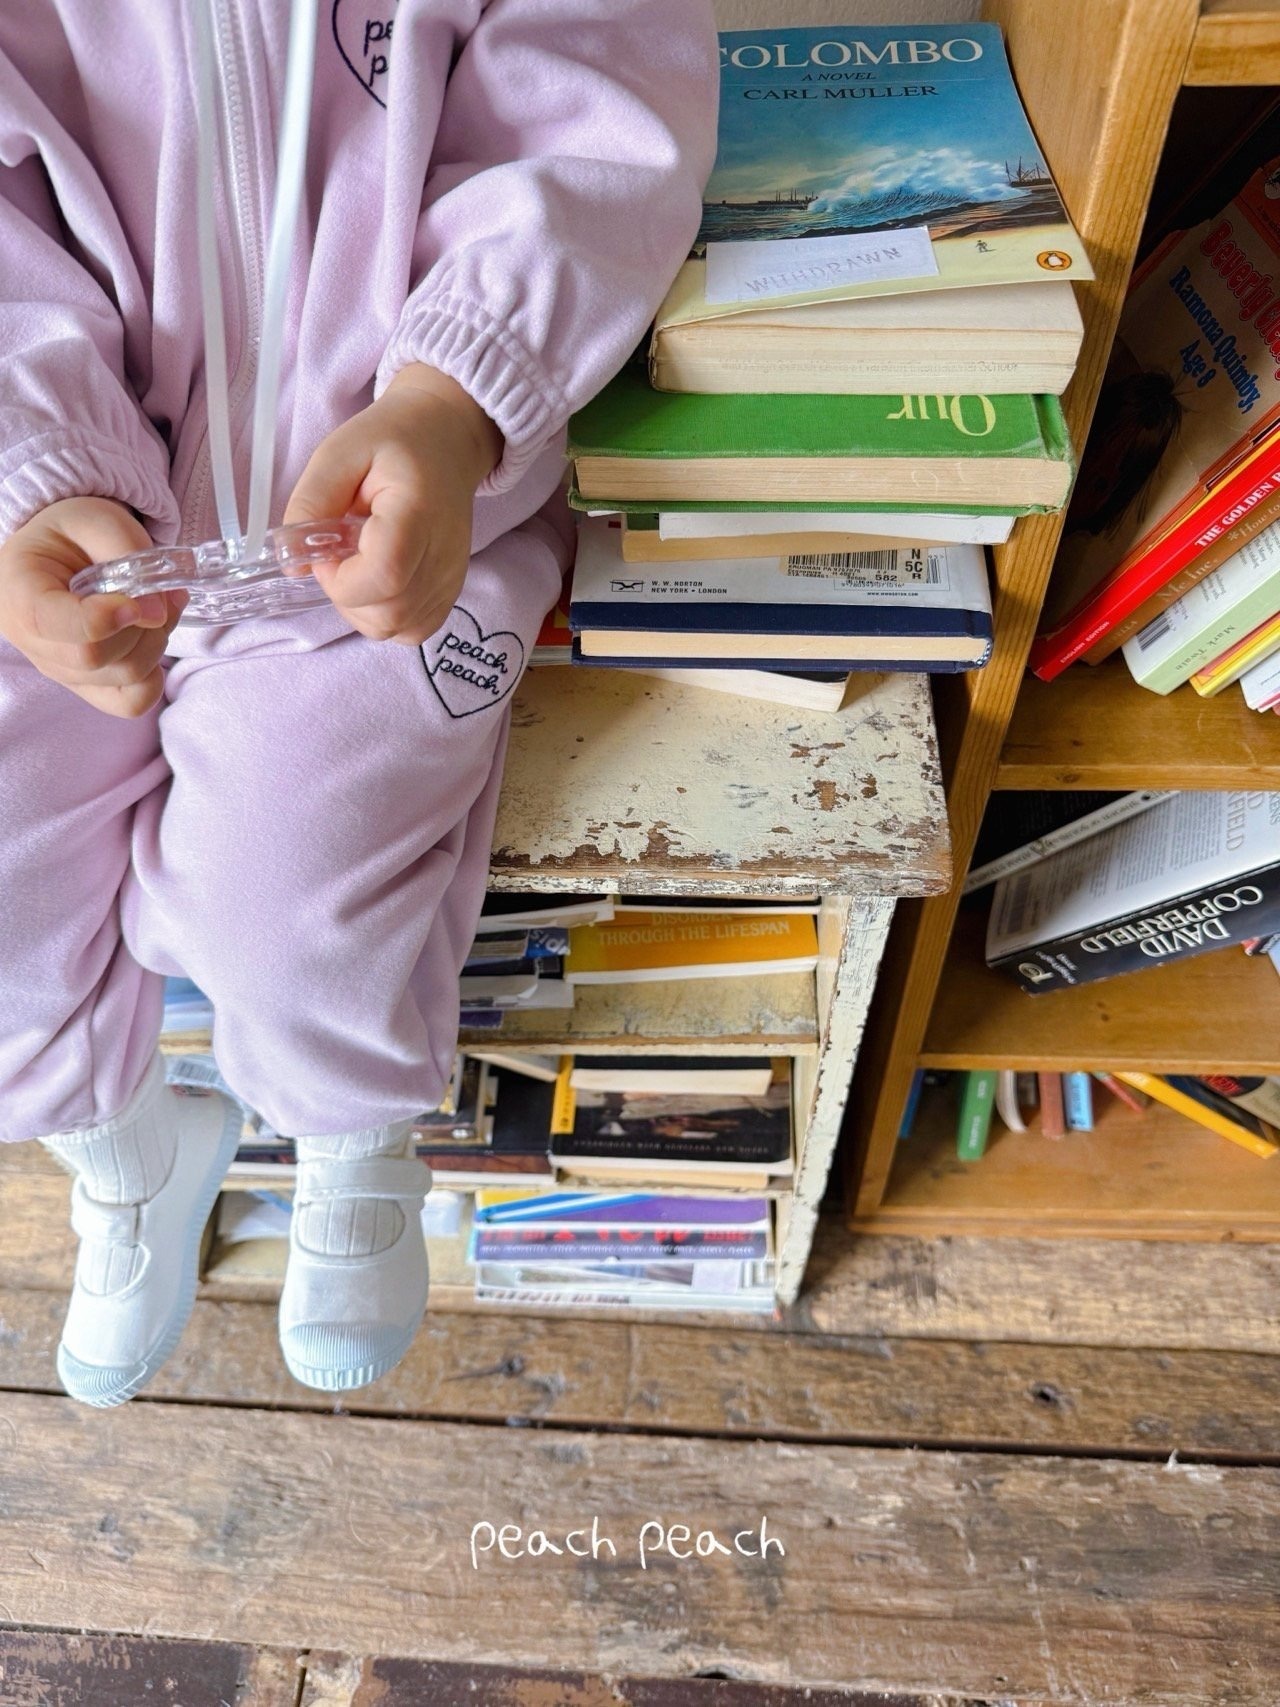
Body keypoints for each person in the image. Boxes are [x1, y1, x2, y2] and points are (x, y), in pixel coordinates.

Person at [0, 1, 718, 1405]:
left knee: (297, 881)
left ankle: (350, 1140)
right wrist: (33, 461)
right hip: (61, 516)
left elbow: (593, 82)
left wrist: (458, 391)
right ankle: (126, 1153)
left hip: (399, 495)